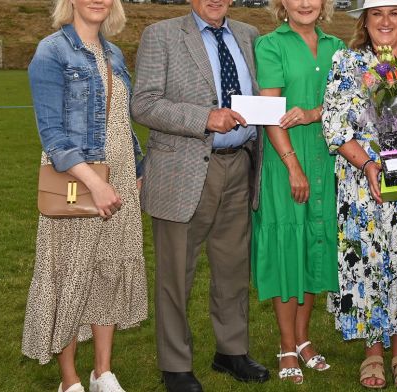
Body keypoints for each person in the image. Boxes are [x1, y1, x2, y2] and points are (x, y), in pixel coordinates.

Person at [131, 0, 269, 390]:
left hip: (239, 165)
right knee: (177, 273)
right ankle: (175, 364)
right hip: (184, 171)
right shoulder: (161, 35)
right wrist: (203, 117)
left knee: (233, 267)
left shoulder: (247, 35)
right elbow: (142, 104)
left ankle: (232, 350)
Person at [22, 1, 147, 391]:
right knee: (71, 276)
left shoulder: (114, 53)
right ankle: (69, 380)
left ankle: (102, 373)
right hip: (78, 182)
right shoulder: (51, 50)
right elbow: (53, 136)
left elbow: (120, 121)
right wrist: (95, 183)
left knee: (108, 271)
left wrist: (136, 171)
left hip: (121, 178)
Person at [322, 0, 397, 388]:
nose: (386, 21)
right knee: (366, 259)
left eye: (394, 13)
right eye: (377, 13)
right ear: (365, 20)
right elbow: (335, 123)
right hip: (362, 181)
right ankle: (373, 349)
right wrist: (369, 165)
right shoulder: (347, 61)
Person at [250, 0, 345, 384]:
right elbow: (270, 111)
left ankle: (305, 340)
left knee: (315, 246)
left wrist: (313, 112)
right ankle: (287, 344)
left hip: (327, 160)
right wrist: (292, 166)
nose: (305, 3)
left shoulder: (337, 45)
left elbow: (345, 104)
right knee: (287, 248)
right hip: (286, 161)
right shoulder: (270, 45)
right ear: (281, 4)